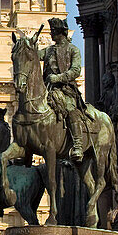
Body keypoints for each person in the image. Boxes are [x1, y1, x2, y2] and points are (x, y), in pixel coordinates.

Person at [39, 17, 88, 161]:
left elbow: (75, 70)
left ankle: (78, 144)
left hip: (66, 89)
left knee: (70, 109)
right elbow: (35, 54)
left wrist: (58, 78)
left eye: (54, 31)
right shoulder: (48, 50)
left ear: (61, 32)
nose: (51, 34)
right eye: (51, 31)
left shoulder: (73, 50)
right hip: (48, 89)